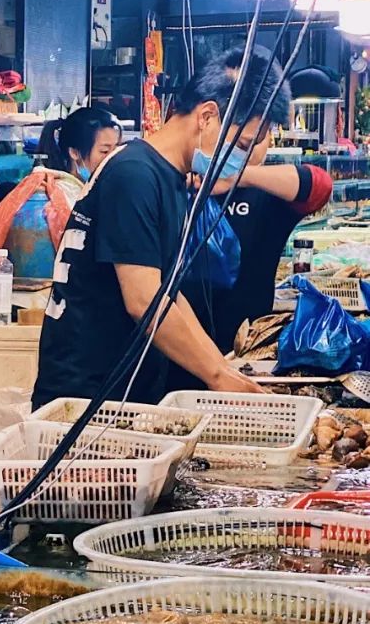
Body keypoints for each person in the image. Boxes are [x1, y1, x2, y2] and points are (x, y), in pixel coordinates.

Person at [32, 46, 290, 409]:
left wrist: (223, 370)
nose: (239, 162)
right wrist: (216, 377)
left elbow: (169, 292)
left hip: (125, 394)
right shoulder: (135, 174)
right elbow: (144, 300)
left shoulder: (170, 177)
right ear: (208, 116)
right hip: (85, 399)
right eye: (242, 145)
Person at [179, 118, 333, 364]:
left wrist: (236, 177)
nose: (246, 150)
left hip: (246, 345)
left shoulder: (271, 192)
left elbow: (321, 186)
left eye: (256, 141)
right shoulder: (184, 183)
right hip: (177, 341)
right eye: (240, 142)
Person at [38, 105, 123, 182]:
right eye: (104, 151)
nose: (113, 157)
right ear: (74, 152)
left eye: (117, 149)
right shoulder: (62, 192)